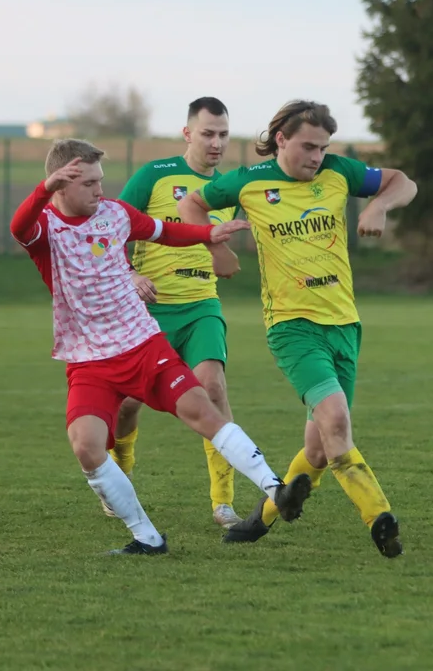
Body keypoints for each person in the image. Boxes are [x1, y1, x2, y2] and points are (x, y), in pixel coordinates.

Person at [10, 137, 311, 555]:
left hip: (141, 344)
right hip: (88, 361)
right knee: (86, 445)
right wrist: (41, 191)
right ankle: (146, 537)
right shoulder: (46, 227)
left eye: (101, 180)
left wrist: (208, 233)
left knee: (202, 409)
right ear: (60, 185)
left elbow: (164, 231)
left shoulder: (114, 214)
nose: (100, 190)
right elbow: (17, 227)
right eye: (89, 183)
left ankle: (276, 489)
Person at [178, 100, 417, 558]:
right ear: (282, 140)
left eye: (323, 148)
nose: (316, 157)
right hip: (292, 326)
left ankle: (261, 518)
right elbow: (192, 203)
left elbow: (404, 182)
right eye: (308, 146)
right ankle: (379, 518)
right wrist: (213, 248)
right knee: (336, 421)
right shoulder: (249, 182)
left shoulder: (339, 172)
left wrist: (380, 205)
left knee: (320, 449)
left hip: (345, 324)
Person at [108, 97, 244, 530]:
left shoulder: (226, 190)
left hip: (202, 305)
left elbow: (220, 253)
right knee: (128, 404)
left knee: (212, 388)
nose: (216, 142)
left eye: (223, 134)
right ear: (188, 133)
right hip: (149, 311)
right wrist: (128, 273)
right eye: (208, 133)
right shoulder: (155, 175)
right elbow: (108, 230)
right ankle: (121, 477)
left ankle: (223, 502)